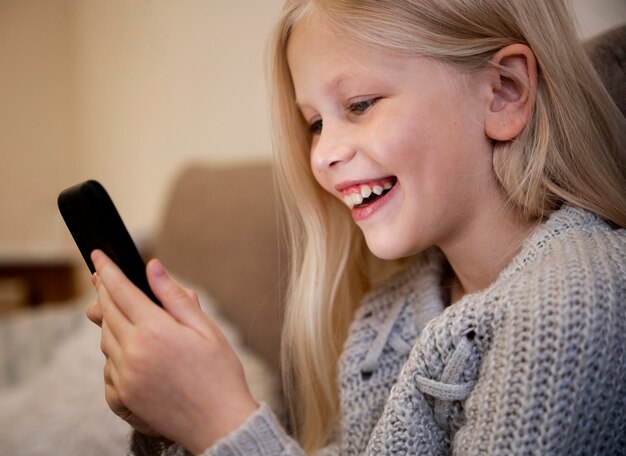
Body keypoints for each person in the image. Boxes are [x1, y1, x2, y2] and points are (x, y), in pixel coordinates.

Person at [87, 0, 626, 454]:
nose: (323, 155)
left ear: (504, 92)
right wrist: (176, 418)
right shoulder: (387, 319)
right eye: (316, 124)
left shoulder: (573, 303)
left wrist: (219, 420)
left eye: (360, 105)